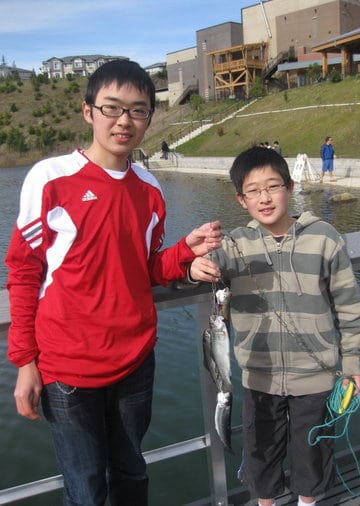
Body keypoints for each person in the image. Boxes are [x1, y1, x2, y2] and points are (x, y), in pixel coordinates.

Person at [5, 59, 222, 506]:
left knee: (131, 473)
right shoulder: (50, 178)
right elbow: (24, 273)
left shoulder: (150, 188)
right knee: (85, 489)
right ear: (88, 111)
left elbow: (141, 269)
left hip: (135, 362)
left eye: (138, 110)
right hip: (67, 369)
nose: (124, 121)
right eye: (112, 108)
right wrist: (26, 363)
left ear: (149, 118)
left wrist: (184, 253)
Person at [190, 146, 360, 506]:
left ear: (289, 187)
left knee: (312, 453)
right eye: (253, 190)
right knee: (261, 454)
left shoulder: (325, 237)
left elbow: (350, 307)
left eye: (273, 186)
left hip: (316, 376)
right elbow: (207, 260)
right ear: (241, 200)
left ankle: (307, 502)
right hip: (259, 377)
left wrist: (351, 364)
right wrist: (194, 264)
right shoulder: (236, 244)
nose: (265, 197)